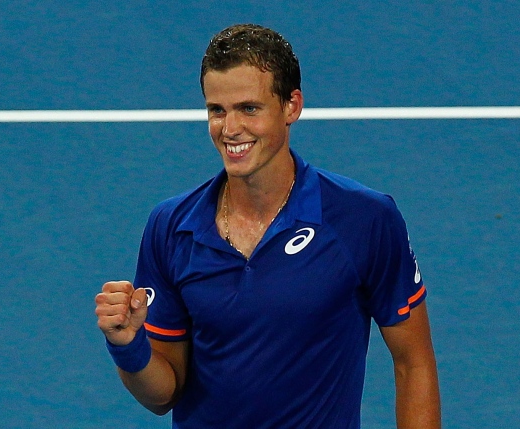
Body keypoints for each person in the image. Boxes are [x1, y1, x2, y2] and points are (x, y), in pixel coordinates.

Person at [95, 23, 441, 429]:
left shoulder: (364, 219)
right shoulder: (170, 227)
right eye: (216, 111)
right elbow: (163, 395)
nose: (230, 129)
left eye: (249, 108)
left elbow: (413, 364)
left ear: (292, 105)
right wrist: (129, 347)